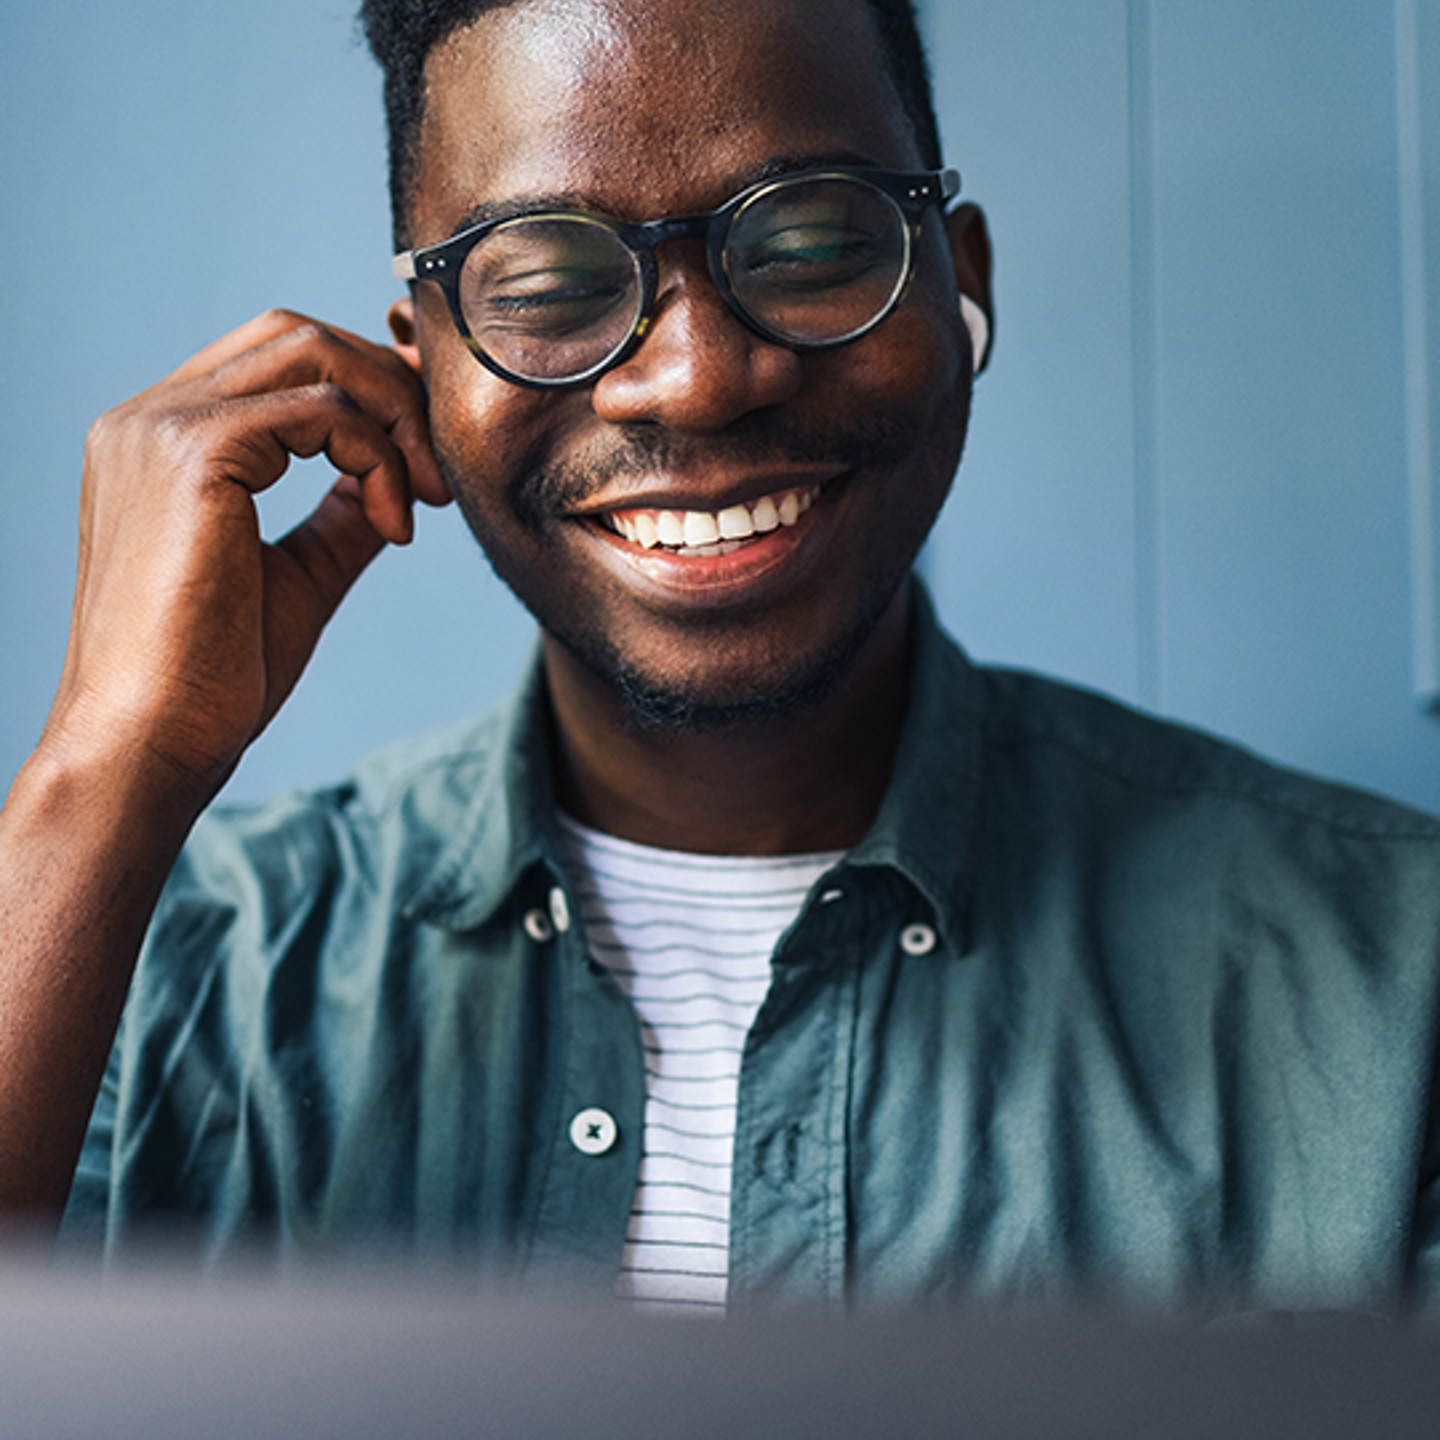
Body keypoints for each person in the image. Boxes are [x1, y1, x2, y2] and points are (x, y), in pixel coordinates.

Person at [2, 0, 1439, 1319]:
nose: (696, 375)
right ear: (423, 375)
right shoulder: (164, 979)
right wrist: (98, 776)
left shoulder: (1397, 988)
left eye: (812, 244)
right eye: (549, 281)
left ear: (961, 290)